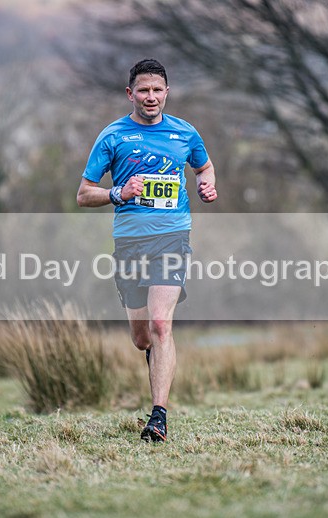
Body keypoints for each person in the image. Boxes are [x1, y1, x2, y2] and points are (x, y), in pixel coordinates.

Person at [77, 58, 218, 442]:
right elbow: (83, 194)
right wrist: (117, 193)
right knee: (143, 337)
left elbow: (204, 168)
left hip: (173, 237)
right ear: (130, 94)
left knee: (161, 324)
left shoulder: (185, 133)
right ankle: (155, 360)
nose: (151, 97)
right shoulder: (113, 136)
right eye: (143, 90)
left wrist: (207, 185)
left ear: (167, 92)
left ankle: (159, 416)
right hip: (129, 243)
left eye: (157, 90)